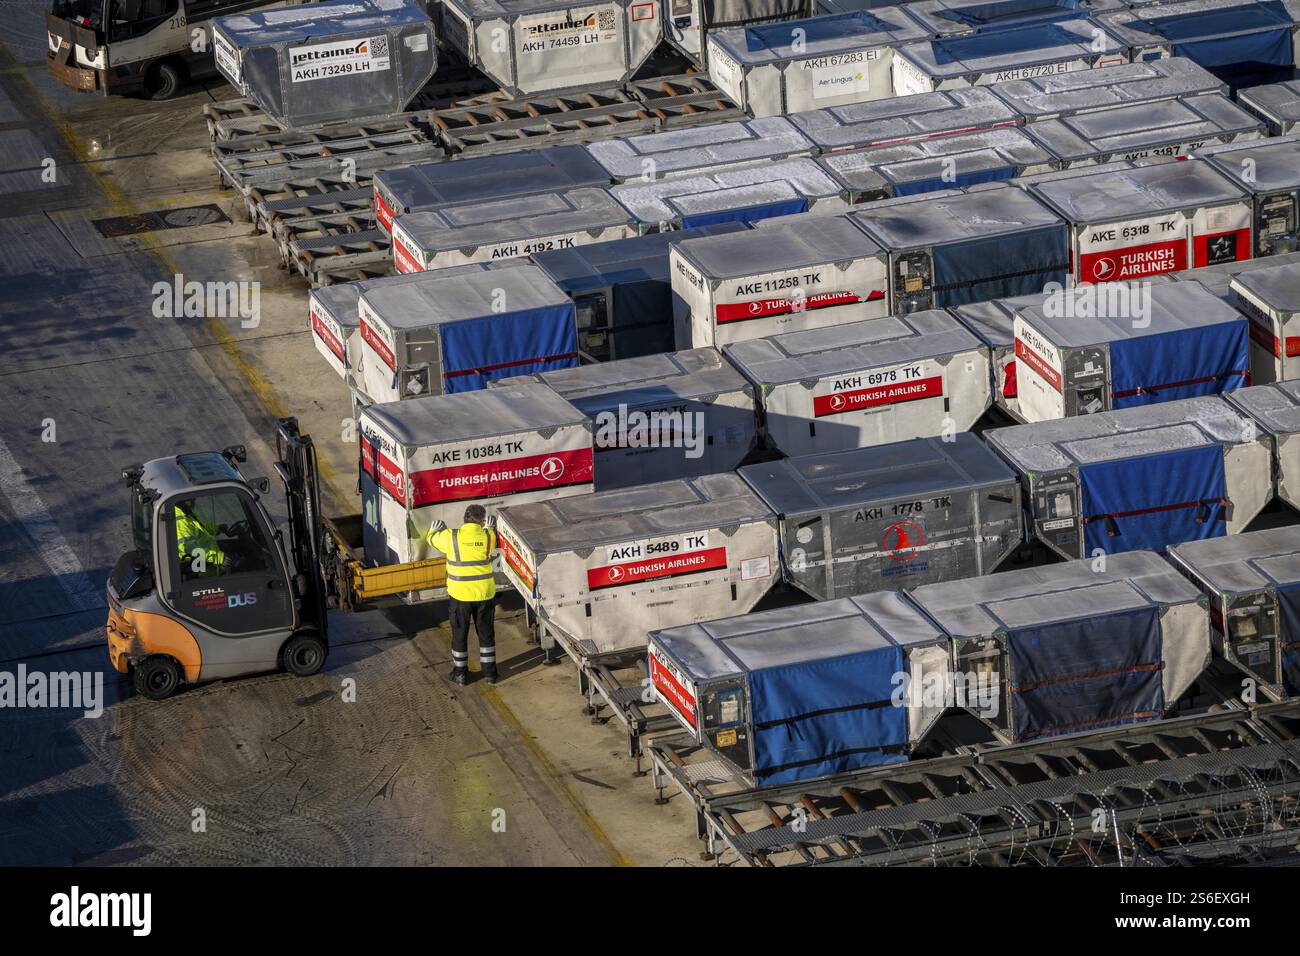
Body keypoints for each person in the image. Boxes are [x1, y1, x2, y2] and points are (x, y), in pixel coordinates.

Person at [420, 505, 499, 685]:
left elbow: (432, 540)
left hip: (460, 595)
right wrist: (489, 528)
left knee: (459, 634)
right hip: (484, 594)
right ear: (482, 521)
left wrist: (433, 531)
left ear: (464, 518)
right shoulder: (487, 537)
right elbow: (490, 537)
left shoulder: (451, 537)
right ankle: (490, 674)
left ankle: (461, 674)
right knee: (486, 635)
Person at [174, 500, 224, 576]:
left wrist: (217, 528)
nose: (193, 502)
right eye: (190, 499)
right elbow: (191, 549)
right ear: (181, 500)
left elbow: (202, 526)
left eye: (193, 499)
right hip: (198, 568)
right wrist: (219, 558)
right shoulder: (180, 521)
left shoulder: (187, 513)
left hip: (206, 561)